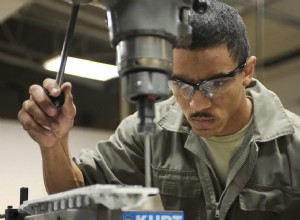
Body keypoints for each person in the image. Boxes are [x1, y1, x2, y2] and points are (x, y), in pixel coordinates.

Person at [17, 0, 300, 219]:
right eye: (181, 83)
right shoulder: (146, 133)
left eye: (215, 83)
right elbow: (75, 197)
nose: (196, 103)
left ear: (247, 71)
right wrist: (53, 144)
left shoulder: (294, 146)